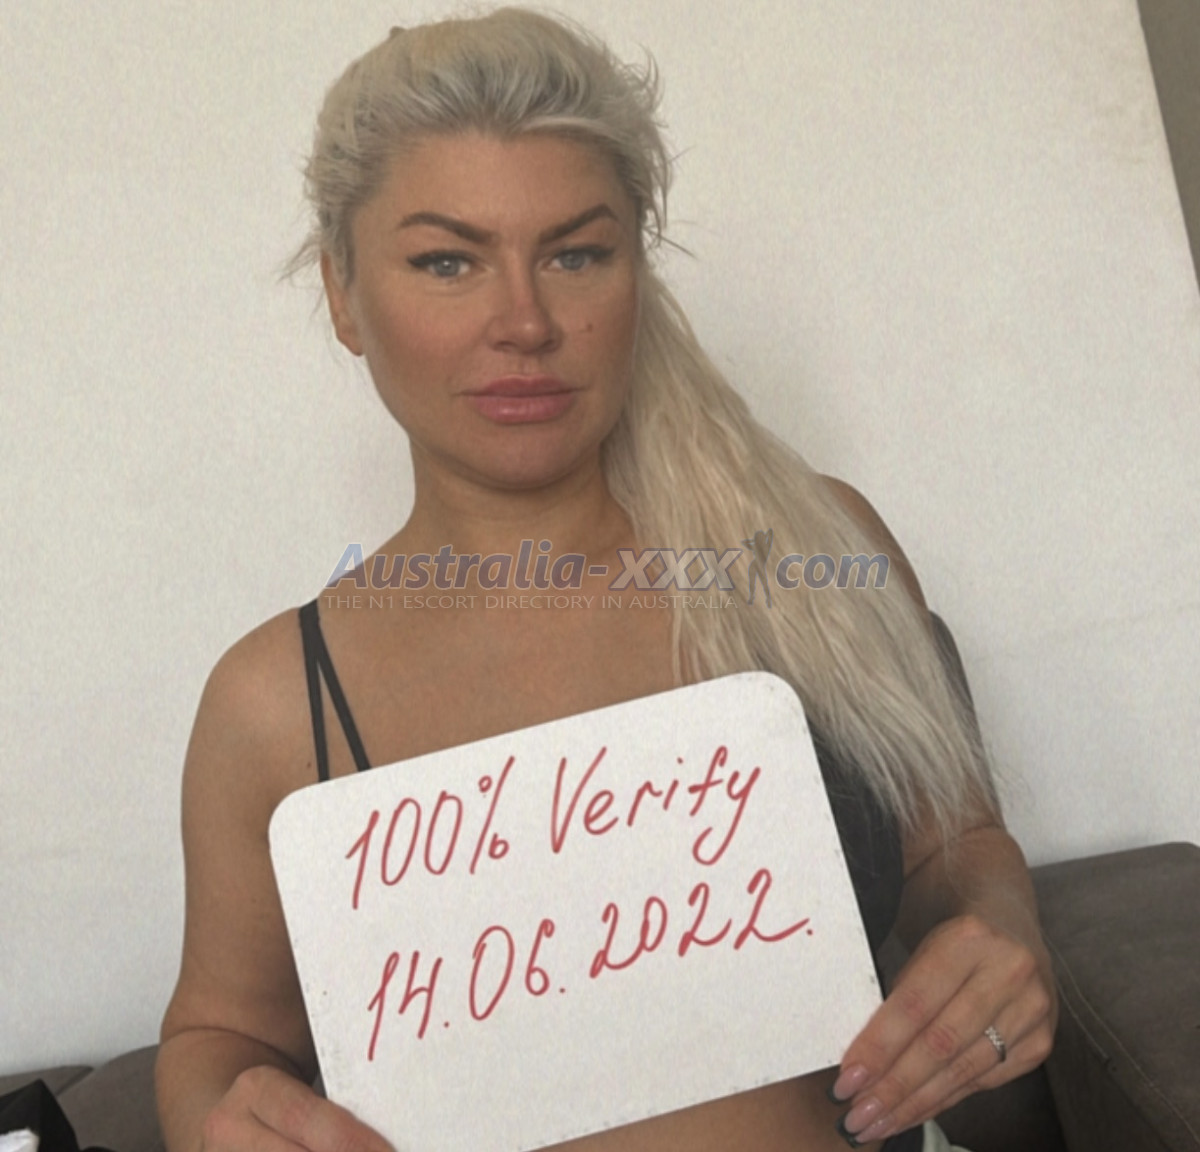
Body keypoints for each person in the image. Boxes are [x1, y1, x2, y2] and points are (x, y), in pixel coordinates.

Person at [155, 9, 1056, 1152]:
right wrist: (218, 1119)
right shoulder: (277, 704)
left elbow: (955, 851)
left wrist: (999, 927)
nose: (525, 321)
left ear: (638, 268)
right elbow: (216, 1035)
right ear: (344, 296)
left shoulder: (813, 554)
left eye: (576, 253)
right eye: (447, 261)